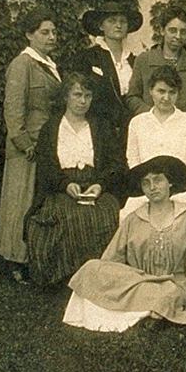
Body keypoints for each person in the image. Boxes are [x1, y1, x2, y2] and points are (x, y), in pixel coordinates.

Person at [63, 156, 186, 332]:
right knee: (91, 267)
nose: (152, 187)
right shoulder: (134, 219)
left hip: (173, 284)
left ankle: (142, 311)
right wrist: (109, 278)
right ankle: (151, 313)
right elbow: (111, 259)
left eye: (158, 180)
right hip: (139, 281)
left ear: (170, 183)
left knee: (166, 294)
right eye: (146, 183)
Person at [25, 71, 125, 286]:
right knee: (68, 217)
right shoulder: (51, 128)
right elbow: (46, 167)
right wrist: (65, 184)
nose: (82, 101)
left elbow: (116, 164)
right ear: (65, 97)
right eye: (77, 95)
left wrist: (100, 185)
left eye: (87, 96)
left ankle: (99, 276)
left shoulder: (101, 127)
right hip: (62, 188)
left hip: (95, 186)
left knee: (104, 215)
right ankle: (68, 277)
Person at [0, 7, 62, 283]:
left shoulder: (48, 64)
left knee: (35, 201)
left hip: (44, 144)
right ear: (29, 35)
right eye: (44, 32)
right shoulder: (22, 64)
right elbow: (13, 108)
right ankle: (14, 261)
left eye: (54, 32)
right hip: (27, 147)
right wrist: (24, 143)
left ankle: (33, 256)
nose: (51, 37)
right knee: (19, 201)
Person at [123, 64, 186, 235]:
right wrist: (149, 185)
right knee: (128, 218)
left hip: (181, 190)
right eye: (161, 91)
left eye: (172, 92)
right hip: (146, 190)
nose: (166, 97)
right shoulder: (138, 123)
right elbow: (133, 159)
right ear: (150, 91)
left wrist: (182, 183)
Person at [67, 0, 142, 156]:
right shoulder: (87, 58)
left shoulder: (135, 61)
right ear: (101, 26)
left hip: (130, 130)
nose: (118, 25)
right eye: (112, 21)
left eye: (122, 21)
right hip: (98, 129)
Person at [125, 4, 186, 128]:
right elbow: (133, 97)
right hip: (151, 127)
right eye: (173, 30)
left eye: (183, 32)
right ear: (162, 30)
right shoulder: (144, 60)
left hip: (183, 128)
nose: (178, 36)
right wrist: (152, 116)